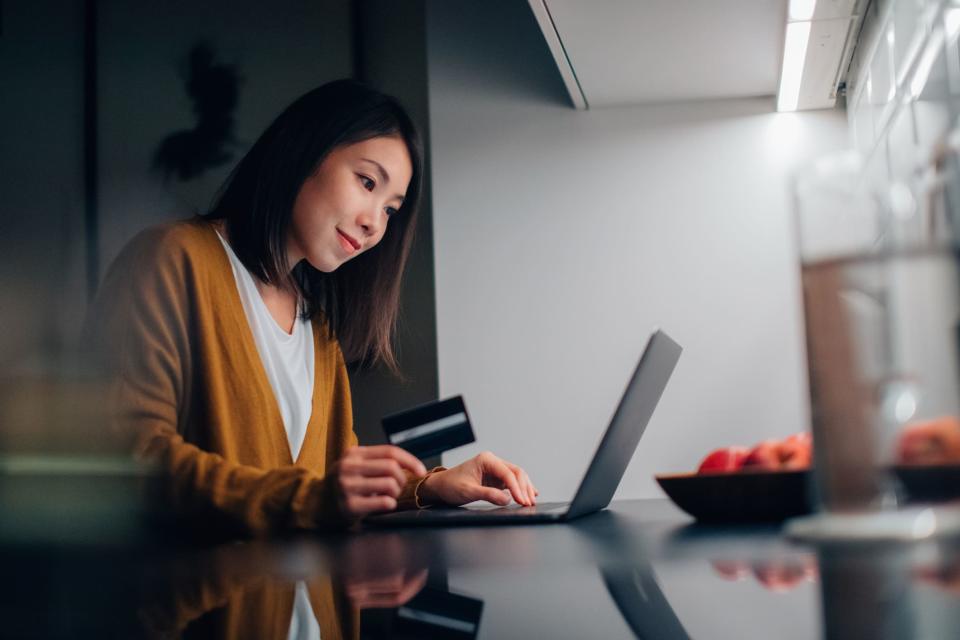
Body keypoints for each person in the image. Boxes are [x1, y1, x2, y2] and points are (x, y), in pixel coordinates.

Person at [87, 79, 537, 534]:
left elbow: (330, 486)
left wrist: (429, 486)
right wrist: (310, 499)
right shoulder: (172, 259)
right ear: (304, 150)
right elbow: (131, 457)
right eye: (366, 182)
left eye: (390, 210)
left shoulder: (316, 328)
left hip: (304, 602)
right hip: (205, 600)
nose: (373, 224)